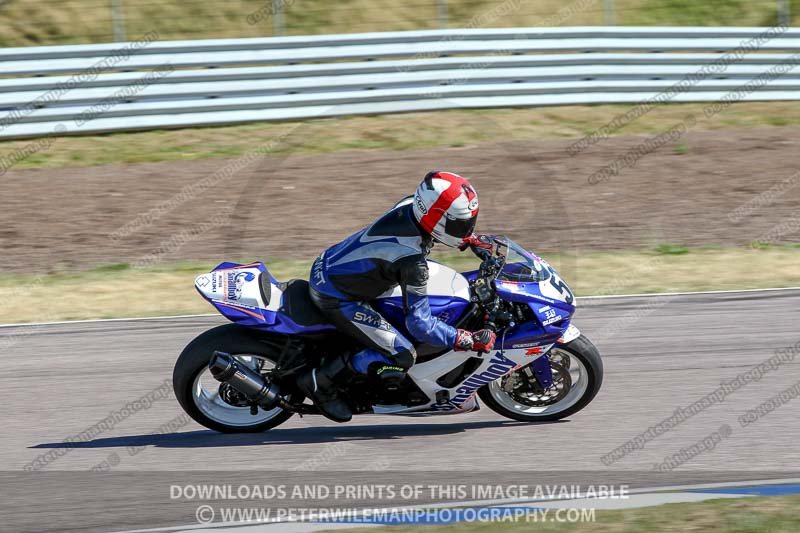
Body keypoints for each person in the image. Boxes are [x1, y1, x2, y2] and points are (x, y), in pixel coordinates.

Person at [297, 171, 497, 422]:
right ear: (435, 216)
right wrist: (464, 338)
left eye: (468, 222)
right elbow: (420, 324)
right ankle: (321, 381)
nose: (466, 228)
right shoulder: (411, 262)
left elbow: (437, 230)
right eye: (460, 224)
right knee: (403, 353)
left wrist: (469, 239)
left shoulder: (410, 205)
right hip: (338, 296)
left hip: (333, 264)